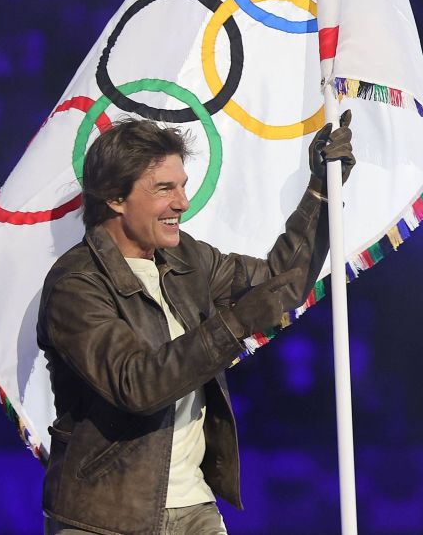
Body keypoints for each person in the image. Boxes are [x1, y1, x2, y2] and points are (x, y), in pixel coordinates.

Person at [37, 113, 355, 535]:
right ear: (115, 197)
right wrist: (233, 324)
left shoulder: (188, 258)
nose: (182, 202)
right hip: (104, 517)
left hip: (194, 506)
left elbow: (281, 283)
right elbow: (137, 386)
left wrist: (321, 192)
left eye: (182, 185)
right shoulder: (76, 285)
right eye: (165, 189)